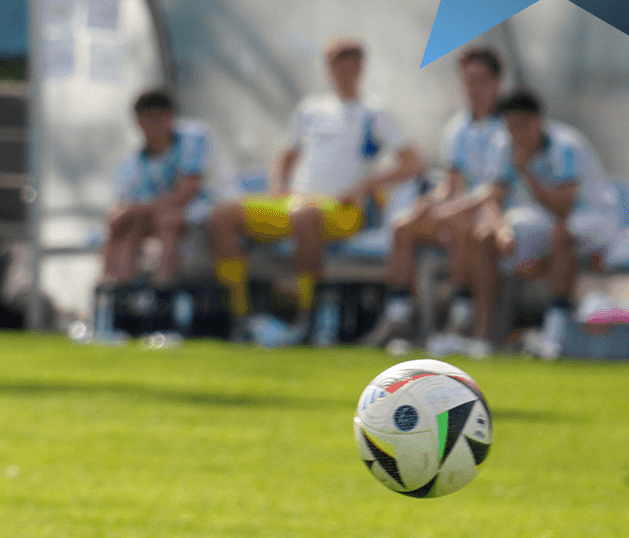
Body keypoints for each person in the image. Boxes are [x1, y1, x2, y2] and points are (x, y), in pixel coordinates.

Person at [207, 37, 424, 345]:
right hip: (297, 203)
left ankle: (305, 319)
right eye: (337, 63)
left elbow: (413, 163)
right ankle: (238, 315)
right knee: (222, 217)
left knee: (305, 217)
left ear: (362, 68)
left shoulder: (374, 114)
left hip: (342, 211)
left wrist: (365, 186)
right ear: (328, 68)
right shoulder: (310, 110)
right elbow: (286, 154)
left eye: (351, 63)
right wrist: (279, 187)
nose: (344, 70)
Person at [364, 47, 508, 352]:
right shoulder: (456, 129)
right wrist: (430, 203)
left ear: (497, 82)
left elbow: (495, 190)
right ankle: (399, 314)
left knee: (458, 222)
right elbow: (452, 182)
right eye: (467, 81)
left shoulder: (509, 127)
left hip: (493, 217)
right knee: (405, 225)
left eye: (481, 80)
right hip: (458, 213)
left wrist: (449, 209)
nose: (473, 89)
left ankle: (461, 313)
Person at [472, 90, 621, 361]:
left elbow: (563, 208)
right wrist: (501, 229)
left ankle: (555, 334)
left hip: (593, 218)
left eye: (520, 126)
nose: (515, 133)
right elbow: (492, 198)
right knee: (485, 236)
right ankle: (481, 336)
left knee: (562, 236)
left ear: (538, 120)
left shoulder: (567, 146)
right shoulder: (503, 143)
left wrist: (526, 171)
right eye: (510, 126)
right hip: (545, 219)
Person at [94, 88, 211, 338]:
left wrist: (138, 209)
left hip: (199, 220)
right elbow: (123, 206)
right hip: (150, 224)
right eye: (147, 119)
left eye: (160, 118)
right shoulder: (132, 162)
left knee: (166, 220)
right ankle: (117, 309)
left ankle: (163, 311)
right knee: (123, 225)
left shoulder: (193, 139)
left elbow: (187, 191)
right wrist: (125, 215)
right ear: (138, 122)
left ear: (171, 118)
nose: (153, 126)